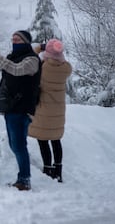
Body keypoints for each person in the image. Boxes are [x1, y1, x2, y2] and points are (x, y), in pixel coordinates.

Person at [0, 30, 41, 191]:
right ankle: (23, 178)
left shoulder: (32, 59)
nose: (14, 41)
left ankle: (24, 180)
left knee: (18, 145)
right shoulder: (12, 57)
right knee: (15, 145)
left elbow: (16, 70)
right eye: (13, 39)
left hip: (22, 108)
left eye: (17, 39)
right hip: (11, 107)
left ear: (25, 41)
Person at [28, 39, 72, 183]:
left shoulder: (43, 67)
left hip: (43, 109)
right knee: (55, 139)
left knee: (43, 139)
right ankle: (58, 171)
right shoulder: (66, 68)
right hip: (58, 110)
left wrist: (40, 48)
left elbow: (32, 56)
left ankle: (47, 169)